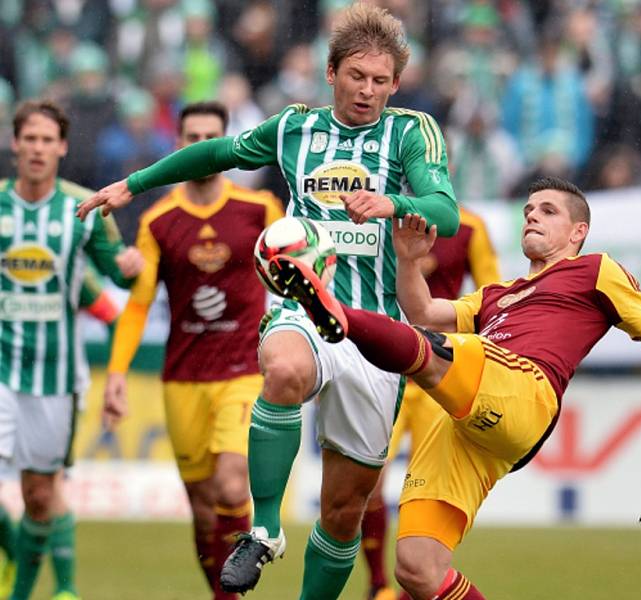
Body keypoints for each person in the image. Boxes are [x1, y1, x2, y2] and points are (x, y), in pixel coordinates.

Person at [77, 4, 459, 598]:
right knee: (282, 369)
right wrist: (134, 183)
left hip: (375, 327)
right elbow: (216, 154)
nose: (368, 90)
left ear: (395, 84)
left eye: (380, 81)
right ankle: (265, 528)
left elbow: (445, 210)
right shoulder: (294, 128)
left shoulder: (410, 132)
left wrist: (395, 204)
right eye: (357, 76)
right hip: (304, 305)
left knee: (342, 512)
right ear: (331, 73)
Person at [267, 176, 641, 600]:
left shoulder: (595, 271)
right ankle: (335, 316)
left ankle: (330, 312)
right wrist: (408, 260)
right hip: (471, 426)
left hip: (524, 390)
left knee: (437, 351)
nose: (531, 216)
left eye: (547, 210)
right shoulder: (497, 295)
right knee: (418, 569)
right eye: (527, 210)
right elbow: (424, 310)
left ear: (578, 232)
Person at [102, 101, 284, 600]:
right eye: (192, 138)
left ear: (226, 149)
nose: (201, 147)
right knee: (203, 509)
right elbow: (138, 307)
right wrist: (117, 372)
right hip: (183, 378)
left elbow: (297, 271)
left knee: (231, 487)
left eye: (212, 138)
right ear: (178, 146)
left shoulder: (260, 210)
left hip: (244, 370)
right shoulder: (160, 221)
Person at [0, 100, 142, 600]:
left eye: (47, 140)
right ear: (15, 143)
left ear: (61, 147)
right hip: (0, 369)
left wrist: (128, 264)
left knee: (40, 496)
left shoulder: (82, 208)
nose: (37, 148)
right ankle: (29, 578)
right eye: (29, 138)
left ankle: (42, 587)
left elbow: (111, 272)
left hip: (54, 375)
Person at [360, 206, 500, 600]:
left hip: (439, 377)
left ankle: (409, 591)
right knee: (368, 483)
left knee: (426, 495)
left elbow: (493, 300)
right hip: (383, 371)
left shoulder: (472, 227)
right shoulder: (377, 222)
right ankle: (376, 585)